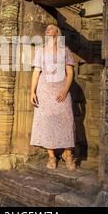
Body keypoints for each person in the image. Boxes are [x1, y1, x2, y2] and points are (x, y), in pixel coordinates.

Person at [30, 24, 76, 171]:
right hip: (44, 90)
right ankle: (51, 156)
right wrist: (32, 92)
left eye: (51, 28)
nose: (48, 29)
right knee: (47, 121)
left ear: (57, 32)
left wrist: (65, 89)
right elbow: (36, 72)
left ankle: (67, 154)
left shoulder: (65, 51)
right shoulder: (40, 51)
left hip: (61, 89)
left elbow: (70, 73)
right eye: (47, 28)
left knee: (66, 120)